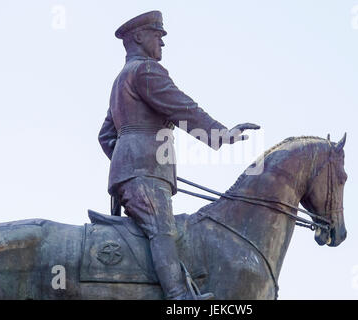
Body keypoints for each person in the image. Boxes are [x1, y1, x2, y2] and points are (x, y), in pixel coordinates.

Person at [98, 10, 260, 300]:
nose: (163, 42)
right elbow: (182, 108)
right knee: (163, 230)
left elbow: (106, 136)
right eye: (158, 35)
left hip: (137, 171)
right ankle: (179, 297)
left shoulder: (121, 79)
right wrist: (221, 134)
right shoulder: (146, 71)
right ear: (138, 37)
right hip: (145, 171)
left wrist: (127, 164)